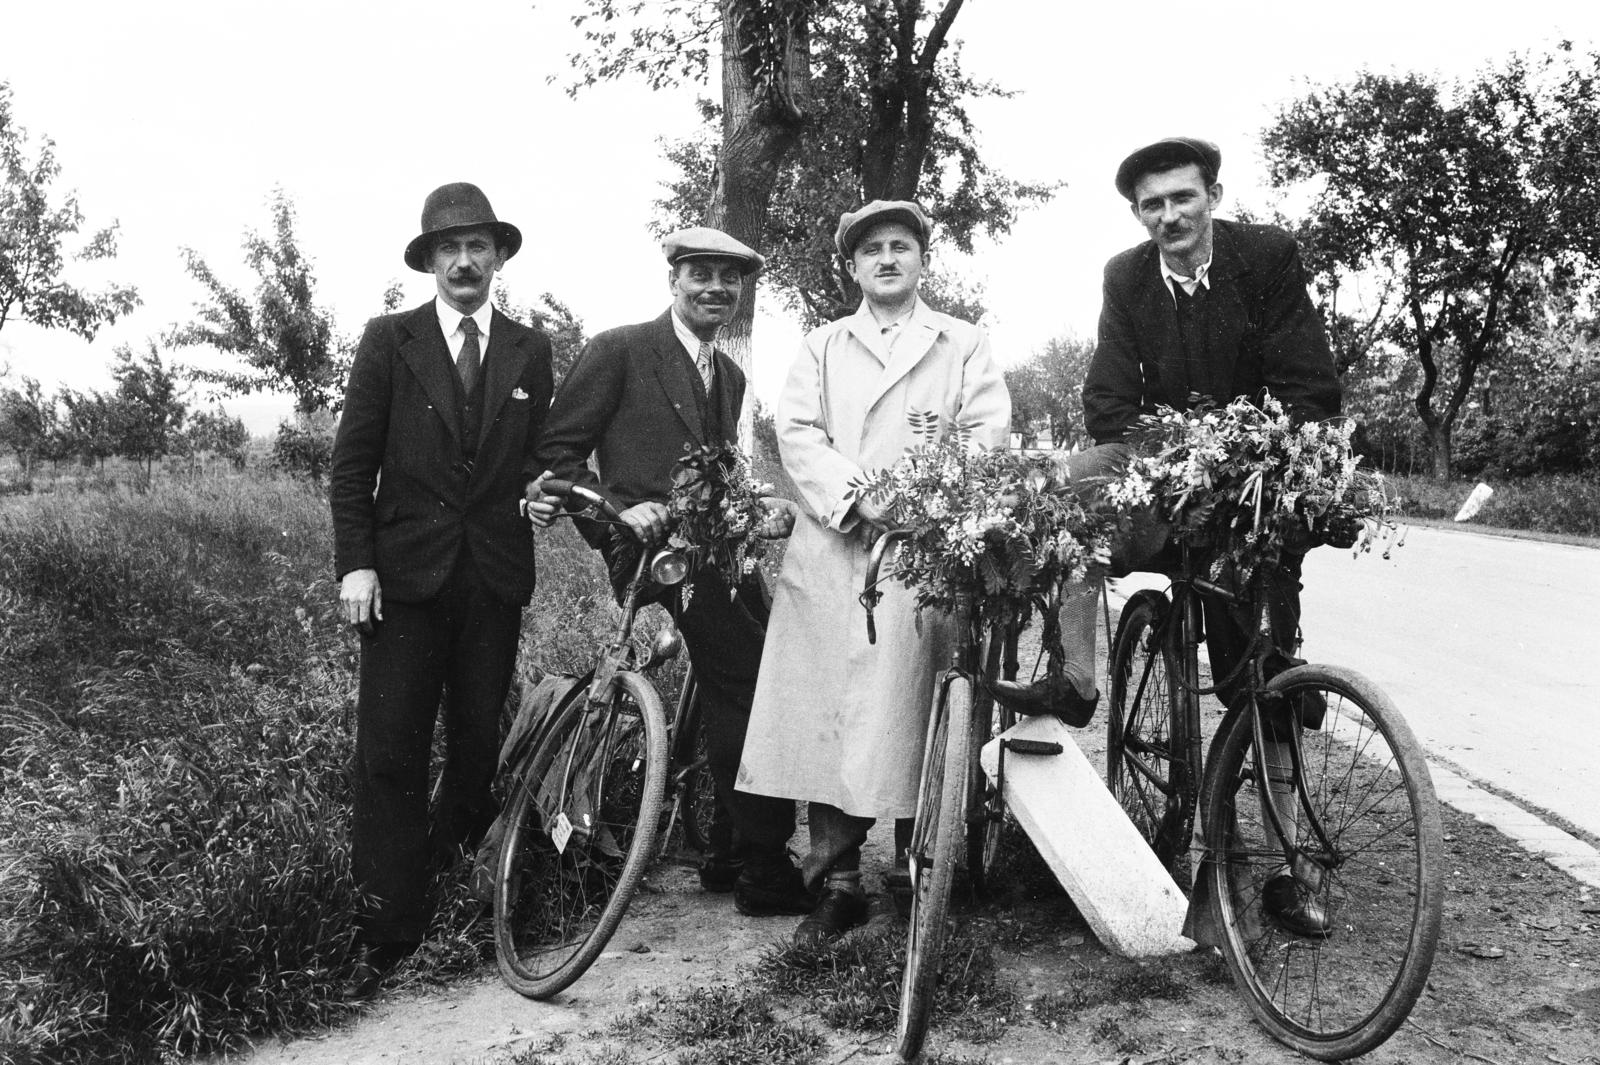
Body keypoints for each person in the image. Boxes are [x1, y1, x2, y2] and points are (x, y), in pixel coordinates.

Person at [1072, 137, 1346, 936]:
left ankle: (1286, 866)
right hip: (1166, 480)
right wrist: (1170, 468)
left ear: (1213, 197)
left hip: (1252, 484)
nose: (1169, 217)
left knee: (1261, 670)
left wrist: (1263, 466)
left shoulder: (1266, 259)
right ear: (1137, 214)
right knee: (1079, 515)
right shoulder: (1126, 277)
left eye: (1182, 199)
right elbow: (1109, 403)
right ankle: (1078, 679)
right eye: (1152, 205)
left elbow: (1307, 384)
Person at [738, 200, 1011, 946]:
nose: (887, 259)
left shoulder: (962, 342)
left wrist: (925, 500)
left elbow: (986, 432)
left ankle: (918, 866)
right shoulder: (824, 345)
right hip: (836, 547)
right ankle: (841, 880)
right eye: (872, 251)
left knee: (915, 700)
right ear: (852, 267)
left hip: (926, 547)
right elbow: (796, 432)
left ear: (924, 260)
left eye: (901, 246)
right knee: (839, 711)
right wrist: (858, 497)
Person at [530, 226, 807, 919]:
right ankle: (762, 862)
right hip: (650, 554)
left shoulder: (731, 376)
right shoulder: (622, 350)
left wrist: (755, 503)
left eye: (729, 279)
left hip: (711, 546)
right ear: (673, 280)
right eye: (700, 275)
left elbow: (714, 474)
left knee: (779, 642)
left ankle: (721, 842)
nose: (715, 288)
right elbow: (558, 460)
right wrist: (621, 516)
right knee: (744, 665)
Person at [329, 182, 555, 997]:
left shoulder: (533, 350)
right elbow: (354, 464)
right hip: (405, 582)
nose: (465, 261)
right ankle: (388, 932)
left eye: (478, 247)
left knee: (473, 747)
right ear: (428, 261)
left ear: (499, 257)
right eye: (448, 249)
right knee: (389, 751)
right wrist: (356, 562)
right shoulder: (390, 341)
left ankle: (457, 893)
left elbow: (535, 459)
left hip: (492, 579)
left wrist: (542, 488)